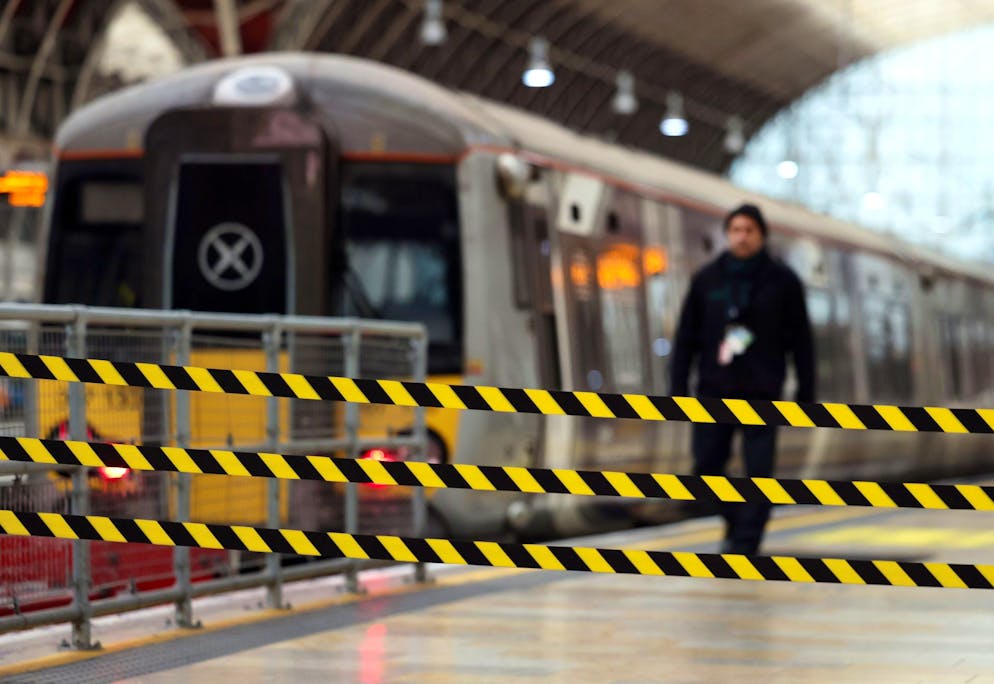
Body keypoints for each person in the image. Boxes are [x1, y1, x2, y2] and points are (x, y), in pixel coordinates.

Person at [669, 203, 814, 555]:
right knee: (705, 469)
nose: (742, 236)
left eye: (749, 230)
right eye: (735, 229)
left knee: (759, 473)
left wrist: (806, 391)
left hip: (762, 390)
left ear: (762, 235)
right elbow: (686, 338)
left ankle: (746, 543)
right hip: (714, 389)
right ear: (727, 234)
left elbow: (802, 341)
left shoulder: (783, 282)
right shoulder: (707, 280)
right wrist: (676, 388)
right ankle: (736, 520)